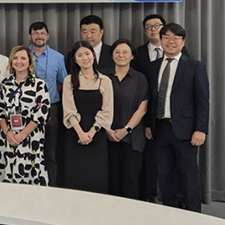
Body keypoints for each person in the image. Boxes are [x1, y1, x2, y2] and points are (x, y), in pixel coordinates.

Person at [146, 23, 209, 212]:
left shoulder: (195, 66)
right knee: (165, 176)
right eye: (166, 37)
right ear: (161, 40)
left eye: (176, 38)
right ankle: (170, 214)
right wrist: (149, 125)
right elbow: (150, 98)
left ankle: (194, 216)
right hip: (160, 128)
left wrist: (201, 129)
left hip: (186, 131)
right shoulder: (153, 66)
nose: (171, 42)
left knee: (188, 176)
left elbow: (203, 100)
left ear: (183, 42)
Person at [132, 14, 189, 202]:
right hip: (150, 120)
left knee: (181, 167)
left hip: (180, 123)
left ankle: (181, 202)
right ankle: (150, 198)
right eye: (149, 26)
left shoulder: (184, 55)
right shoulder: (138, 54)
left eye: (157, 25)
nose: (153, 29)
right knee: (153, 163)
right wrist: (147, 122)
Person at [62, 41, 114, 193]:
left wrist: (91, 133)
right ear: (75, 59)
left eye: (87, 54)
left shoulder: (105, 81)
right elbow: (69, 110)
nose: (84, 58)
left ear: (93, 55)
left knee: (97, 178)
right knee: (75, 178)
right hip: (74, 134)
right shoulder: (69, 80)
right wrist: (81, 133)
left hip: (96, 136)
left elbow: (107, 111)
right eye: (80, 55)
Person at [0, 46, 49, 186]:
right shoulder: (5, 85)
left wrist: (23, 134)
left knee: (30, 177)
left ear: (30, 62)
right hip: (9, 138)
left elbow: (41, 114)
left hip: (31, 139)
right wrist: (8, 132)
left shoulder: (39, 85)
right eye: (16, 58)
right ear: (11, 62)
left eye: (23, 58)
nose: (19, 61)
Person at [105, 39, 149, 199]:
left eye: (125, 52)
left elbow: (142, 108)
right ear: (112, 55)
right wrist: (107, 129)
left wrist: (126, 130)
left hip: (132, 137)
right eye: (117, 52)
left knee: (130, 181)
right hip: (106, 136)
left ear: (132, 56)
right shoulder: (103, 76)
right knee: (111, 181)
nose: (121, 55)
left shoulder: (140, 79)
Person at [28, 21, 68, 187]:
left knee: (50, 152)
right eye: (36, 33)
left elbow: (63, 83)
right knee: (29, 150)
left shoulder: (58, 58)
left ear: (48, 35)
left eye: (42, 33)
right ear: (30, 36)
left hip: (51, 109)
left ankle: (51, 188)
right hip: (27, 111)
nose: (39, 36)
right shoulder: (22, 55)